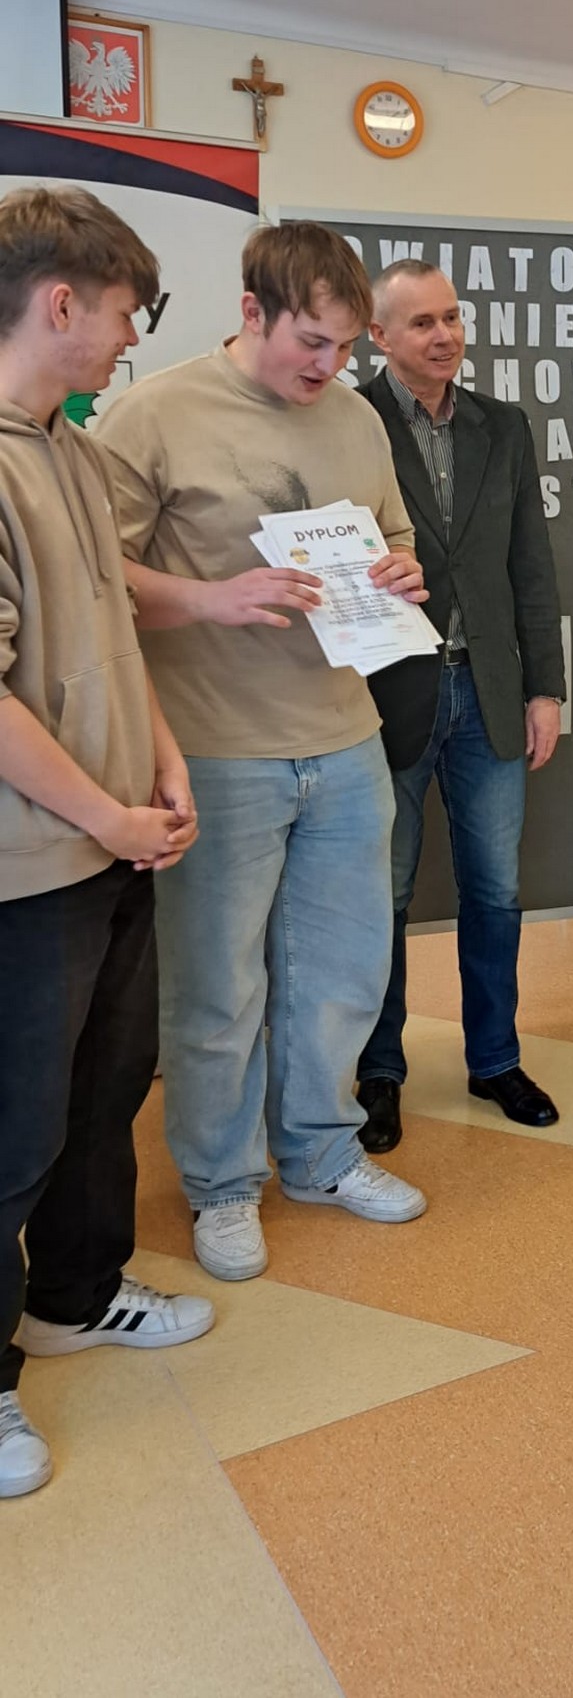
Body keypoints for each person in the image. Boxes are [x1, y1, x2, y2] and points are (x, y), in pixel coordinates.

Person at [96, 223, 430, 1284]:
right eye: (310, 343)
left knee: (342, 970)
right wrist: (212, 598)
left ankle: (322, 1151)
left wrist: (400, 572)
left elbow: (394, 537)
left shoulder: (357, 418)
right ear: (252, 312)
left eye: (345, 347)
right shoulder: (154, 414)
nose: (328, 366)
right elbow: (93, 576)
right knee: (217, 985)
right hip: (215, 748)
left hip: (345, 738)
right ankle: (221, 1181)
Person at [0, 186, 213, 1502]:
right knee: (12, 1124)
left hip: (118, 839)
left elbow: (114, 636)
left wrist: (164, 760)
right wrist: (102, 810)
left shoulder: (70, 448)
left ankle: (74, 1294)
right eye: (130, 308)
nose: (135, 334)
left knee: (106, 1084)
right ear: (61, 300)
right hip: (32, 866)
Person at [355, 260, 566, 1148]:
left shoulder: (503, 425)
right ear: (379, 336)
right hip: (386, 695)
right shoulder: (348, 421)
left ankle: (494, 1059)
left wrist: (546, 686)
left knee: (495, 888)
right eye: (422, 323)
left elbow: (530, 564)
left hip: (489, 689)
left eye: (452, 317)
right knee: (384, 891)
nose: (445, 335)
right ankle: (379, 1072)